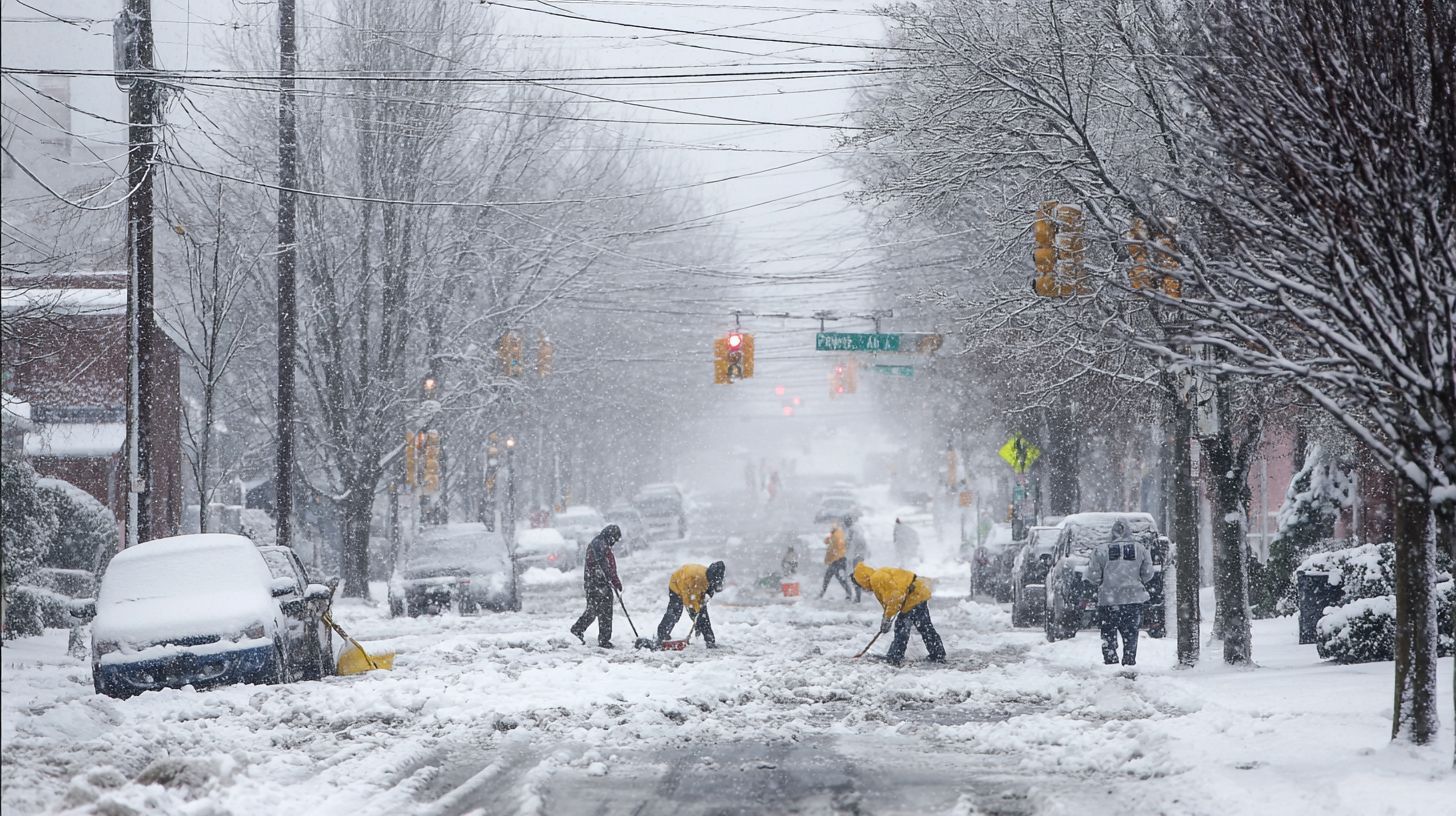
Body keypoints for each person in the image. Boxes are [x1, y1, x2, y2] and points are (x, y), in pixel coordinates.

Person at [1085, 520, 1156, 666]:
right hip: (1133, 597)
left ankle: (1110, 657)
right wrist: (1137, 580)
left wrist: (1104, 582)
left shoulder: (1101, 550)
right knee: (1131, 631)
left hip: (1108, 598)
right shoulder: (1140, 549)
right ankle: (1129, 658)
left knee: (1108, 630)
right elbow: (1148, 572)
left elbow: (1093, 575)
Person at [853, 563, 945, 665]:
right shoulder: (879, 575)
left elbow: (895, 597)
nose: (863, 589)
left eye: (860, 586)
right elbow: (893, 597)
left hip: (912, 597)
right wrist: (887, 616)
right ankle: (938, 653)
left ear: (862, 580)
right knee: (925, 627)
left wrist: (887, 618)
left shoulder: (877, 579)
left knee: (902, 628)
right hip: (917, 592)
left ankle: (895, 657)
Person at [570, 525, 622, 648]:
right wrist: (610, 578)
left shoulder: (603, 544)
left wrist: (615, 581)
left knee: (599, 611)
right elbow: (602, 565)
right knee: (599, 611)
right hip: (596, 584)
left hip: (600, 583)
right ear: (610, 536)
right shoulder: (599, 545)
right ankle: (584, 632)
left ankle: (583, 631)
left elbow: (609, 567)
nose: (614, 542)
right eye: (615, 539)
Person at [656, 561, 726, 649]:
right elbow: (688, 599)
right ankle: (662, 635)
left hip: (694, 590)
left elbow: (710, 589)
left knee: (703, 615)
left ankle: (709, 640)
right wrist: (696, 614)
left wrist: (707, 595)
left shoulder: (711, 576)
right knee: (675, 612)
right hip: (677, 583)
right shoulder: (695, 578)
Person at [819, 522, 851, 599]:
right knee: (835, 578)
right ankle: (848, 594)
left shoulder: (838, 535)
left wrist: (836, 553)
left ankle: (849, 594)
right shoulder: (834, 535)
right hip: (835, 561)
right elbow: (826, 542)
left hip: (838, 560)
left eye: (832, 527)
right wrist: (830, 536)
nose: (830, 528)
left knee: (835, 578)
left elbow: (839, 546)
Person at [843, 515, 868, 603]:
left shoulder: (852, 530)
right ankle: (859, 596)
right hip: (859, 555)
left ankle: (858, 597)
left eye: (846, 522)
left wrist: (850, 552)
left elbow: (850, 543)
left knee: (855, 576)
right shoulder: (857, 528)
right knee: (857, 575)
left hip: (856, 556)